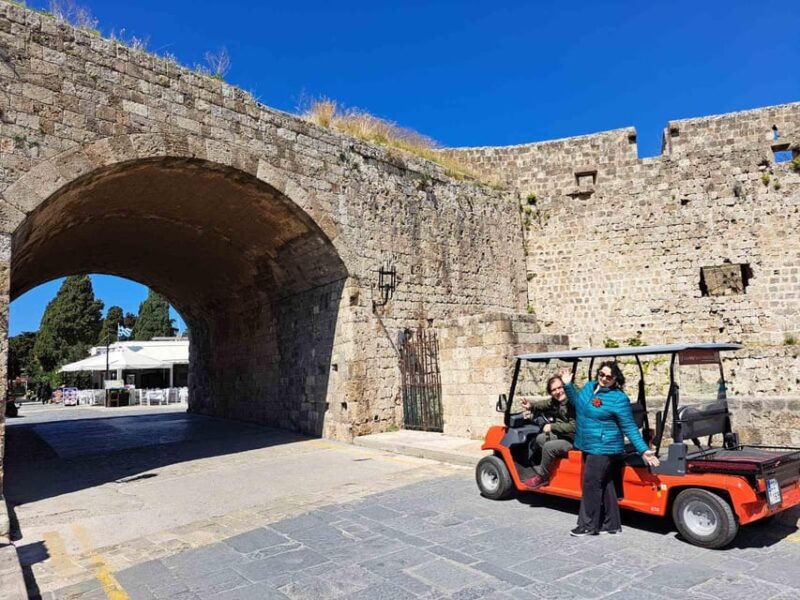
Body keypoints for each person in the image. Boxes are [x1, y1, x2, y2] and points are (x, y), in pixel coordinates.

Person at [561, 361, 659, 536]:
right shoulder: (590, 387)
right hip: (587, 444)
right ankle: (611, 524)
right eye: (601, 374)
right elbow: (577, 404)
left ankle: (587, 525)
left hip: (604, 448)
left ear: (615, 379)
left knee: (591, 484)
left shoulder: (618, 398)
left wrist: (643, 450)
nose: (604, 379)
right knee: (605, 483)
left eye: (609, 377)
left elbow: (628, 426)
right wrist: (568, 384)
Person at [519, 375, 575, 489]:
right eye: (554, 390)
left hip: (575, 440)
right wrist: (531, 406)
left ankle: (542, 477)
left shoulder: (573, 402)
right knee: (540, 439)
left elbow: (574, 427)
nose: (558, 392)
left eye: (560, 388)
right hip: (564, 436)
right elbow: (545, 404)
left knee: (548, 447)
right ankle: (552, 466)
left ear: (565, 387)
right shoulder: (556, 401)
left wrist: (552, 426)